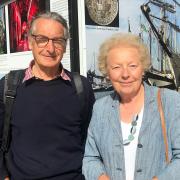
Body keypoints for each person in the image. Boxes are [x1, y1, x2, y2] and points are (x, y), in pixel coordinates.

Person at [0, 11, 95, 180]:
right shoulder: (9, 86)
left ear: (65, 46)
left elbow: (91, 140)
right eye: (42, 39)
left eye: (57, 41)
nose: (50, 48)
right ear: (30, 42)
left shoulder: (81, 87)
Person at [82, 33, 180, 180]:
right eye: (116, 67)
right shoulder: (101, 108)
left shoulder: (169, 101)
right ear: (107, 72)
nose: (125, 74)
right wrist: (101, 177)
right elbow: (90, 158)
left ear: (143, 68)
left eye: (132, 66)